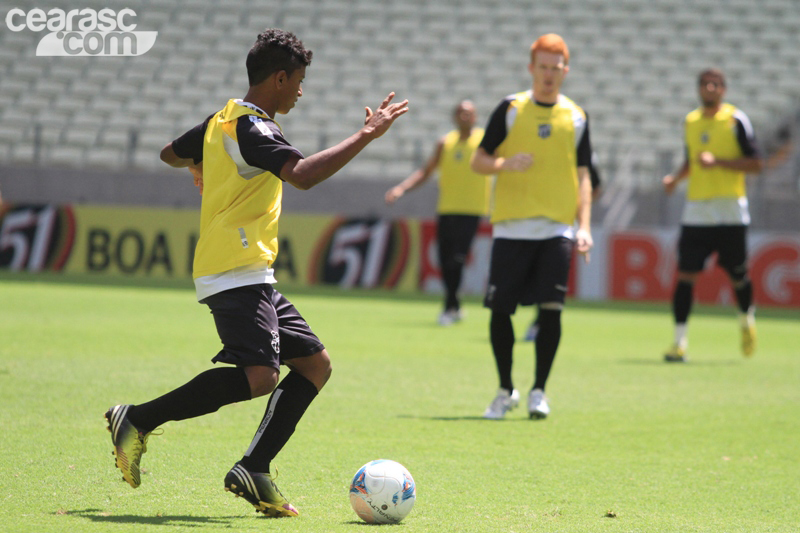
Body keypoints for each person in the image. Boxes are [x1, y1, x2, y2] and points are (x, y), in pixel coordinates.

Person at [103, 29, 408, 517]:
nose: (301, 92)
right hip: (235, 268)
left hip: (248, 270)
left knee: (315, 364)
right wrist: (366, 136)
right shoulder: (256, 128)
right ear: (280, 78)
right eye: (299, 81)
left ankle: (255, 467)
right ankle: (137, 420)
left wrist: (197, 164)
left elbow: (169, 153)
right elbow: (303, 175)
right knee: (261, 375)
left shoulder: (221, 120)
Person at [471, 33, 593, 420]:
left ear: (565, 71)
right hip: (510, 228)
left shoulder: (575, 117)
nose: (549, 75)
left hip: (557, 229)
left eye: (556, 68)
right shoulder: (510, 109)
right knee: (500, 311)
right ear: (531, 68)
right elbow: (479, 161)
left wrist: (584, 225)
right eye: (542, 67)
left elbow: (584, 174)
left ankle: (540, 390)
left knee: (552, 309)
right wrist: (505, 164)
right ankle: (505, 388)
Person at [662, 68, 762, 363]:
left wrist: (718, 161)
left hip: (730, 210)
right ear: (699, 89)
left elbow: (756, 163)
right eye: (706, 84)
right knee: (685, 275)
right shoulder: (691, 122)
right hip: (697, 210)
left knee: (737, 275)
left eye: (715, 84)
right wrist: (675, 179)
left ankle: (746, 319)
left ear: (723, 90)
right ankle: (679, 342)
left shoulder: (735, 120)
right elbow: (692, 160)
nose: (710, 88)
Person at [385, 100, 491, 325]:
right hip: (447, 209)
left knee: (457, 260)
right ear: (454, 117)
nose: (465, 116)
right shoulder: (445, 142)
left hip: (472, 211)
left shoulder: (485, 141)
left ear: (476, 117)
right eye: (461, 113)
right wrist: (401, 188)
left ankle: (449, 307)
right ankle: (454, 304)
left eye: (469, 113)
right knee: (444, 261)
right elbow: (426, 171)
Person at [523, 151, 602, 341]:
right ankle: (540, 318)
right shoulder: (544, 145)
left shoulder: (586, 155)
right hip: (538, 218)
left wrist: (580, 211)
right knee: (535, 273)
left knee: (550, 274)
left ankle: (541, 321)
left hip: (564, 224)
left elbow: (596, 187)